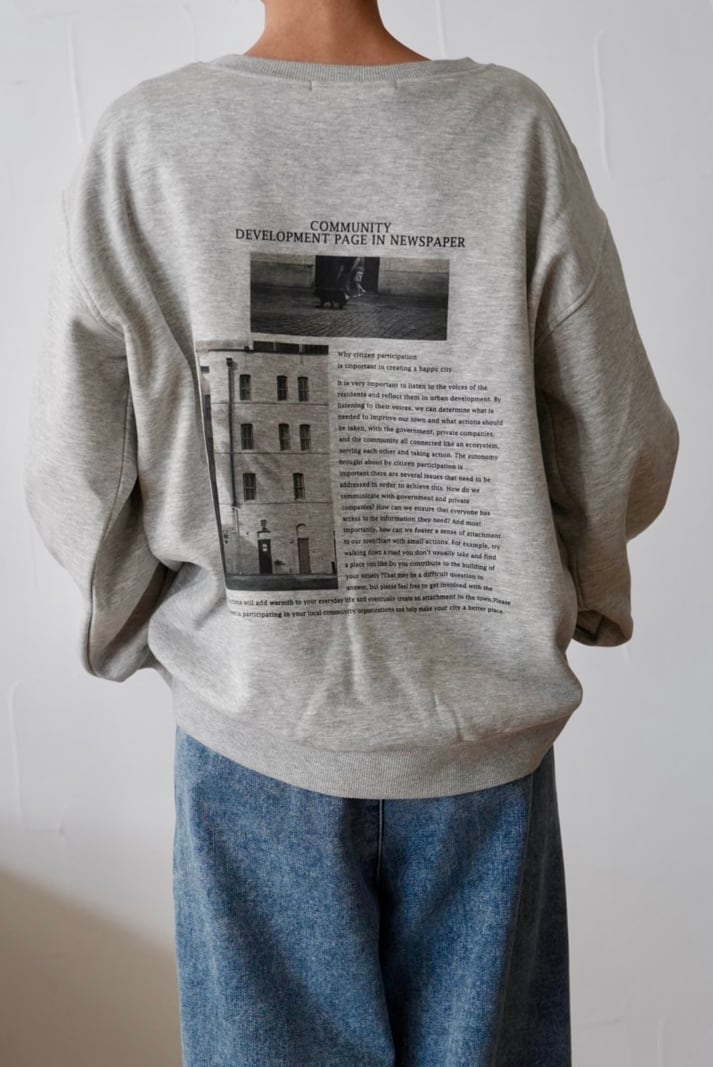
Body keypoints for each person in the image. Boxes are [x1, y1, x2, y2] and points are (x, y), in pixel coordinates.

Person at [22, 0, 679, 1064]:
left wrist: (153, 627)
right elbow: (616, 437)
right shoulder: (507, 126)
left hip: (254, 733)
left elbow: (78, 465)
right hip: (480, 744)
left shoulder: (150, 139)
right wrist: (581, 593)